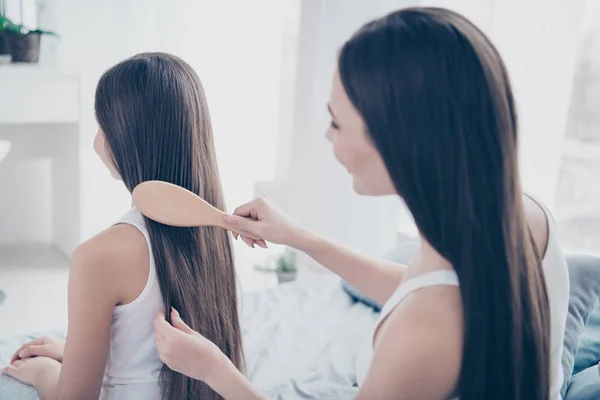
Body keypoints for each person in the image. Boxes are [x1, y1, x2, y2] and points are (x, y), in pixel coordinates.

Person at [153, 7, 569, 400]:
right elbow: (422, 288)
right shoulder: (521, 213)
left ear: (398, 140)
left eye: (336, 121)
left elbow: (427, 311)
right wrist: (299, 238)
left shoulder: (421, 337)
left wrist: (216, 372)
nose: (328, 136)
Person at [1, 52, 244, 400]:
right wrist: (77, 352)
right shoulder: (214, 231)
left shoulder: (97, 256)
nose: (96, 139)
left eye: (103, 126)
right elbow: (149, 348)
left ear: (125, 140)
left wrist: (45, 371)